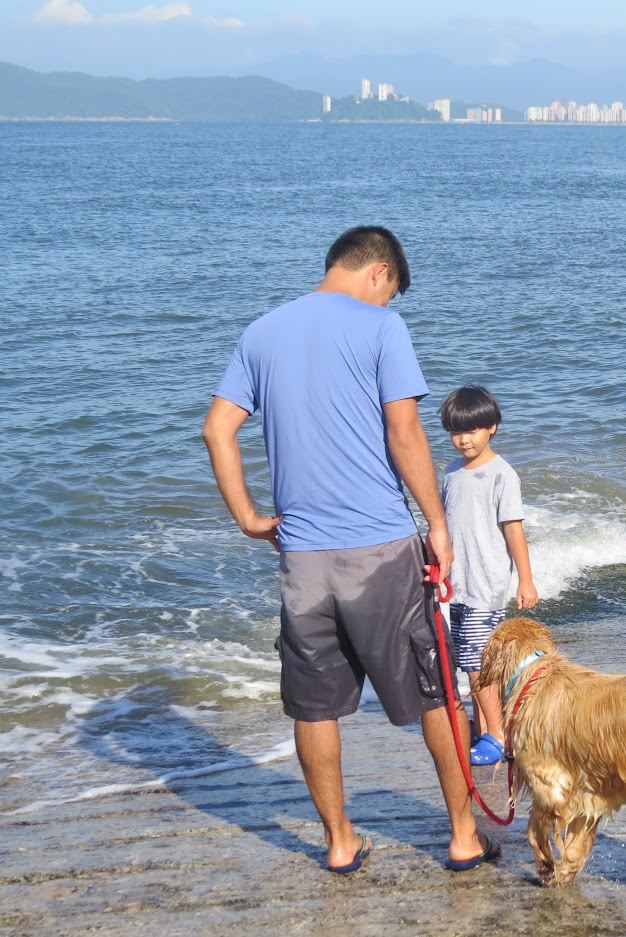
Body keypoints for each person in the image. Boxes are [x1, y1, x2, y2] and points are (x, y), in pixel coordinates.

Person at [201, 226, 501, 874]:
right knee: (432, 692)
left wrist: (249, 518)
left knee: (314, 705)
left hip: (302, 559)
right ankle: (462, 836)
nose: (387, 304)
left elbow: (216, 429)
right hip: (379, 551)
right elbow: (404, 430)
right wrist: (438, 522)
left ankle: (339, 841)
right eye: (390, 292)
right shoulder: (378, 326)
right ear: (378, 273)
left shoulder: (261, 332)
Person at [439, 386, 538, 766]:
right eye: (456, 431)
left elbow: (513, 529)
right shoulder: (450, 474)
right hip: (457, 585)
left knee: (476, 661)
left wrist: (525, 580)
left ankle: (498, 736)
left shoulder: (501, 474)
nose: (464, 439)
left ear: (492, 427)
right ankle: (485, 728)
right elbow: (444, 527)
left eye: (473, 430)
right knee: (471, 659)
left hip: (486, 583)